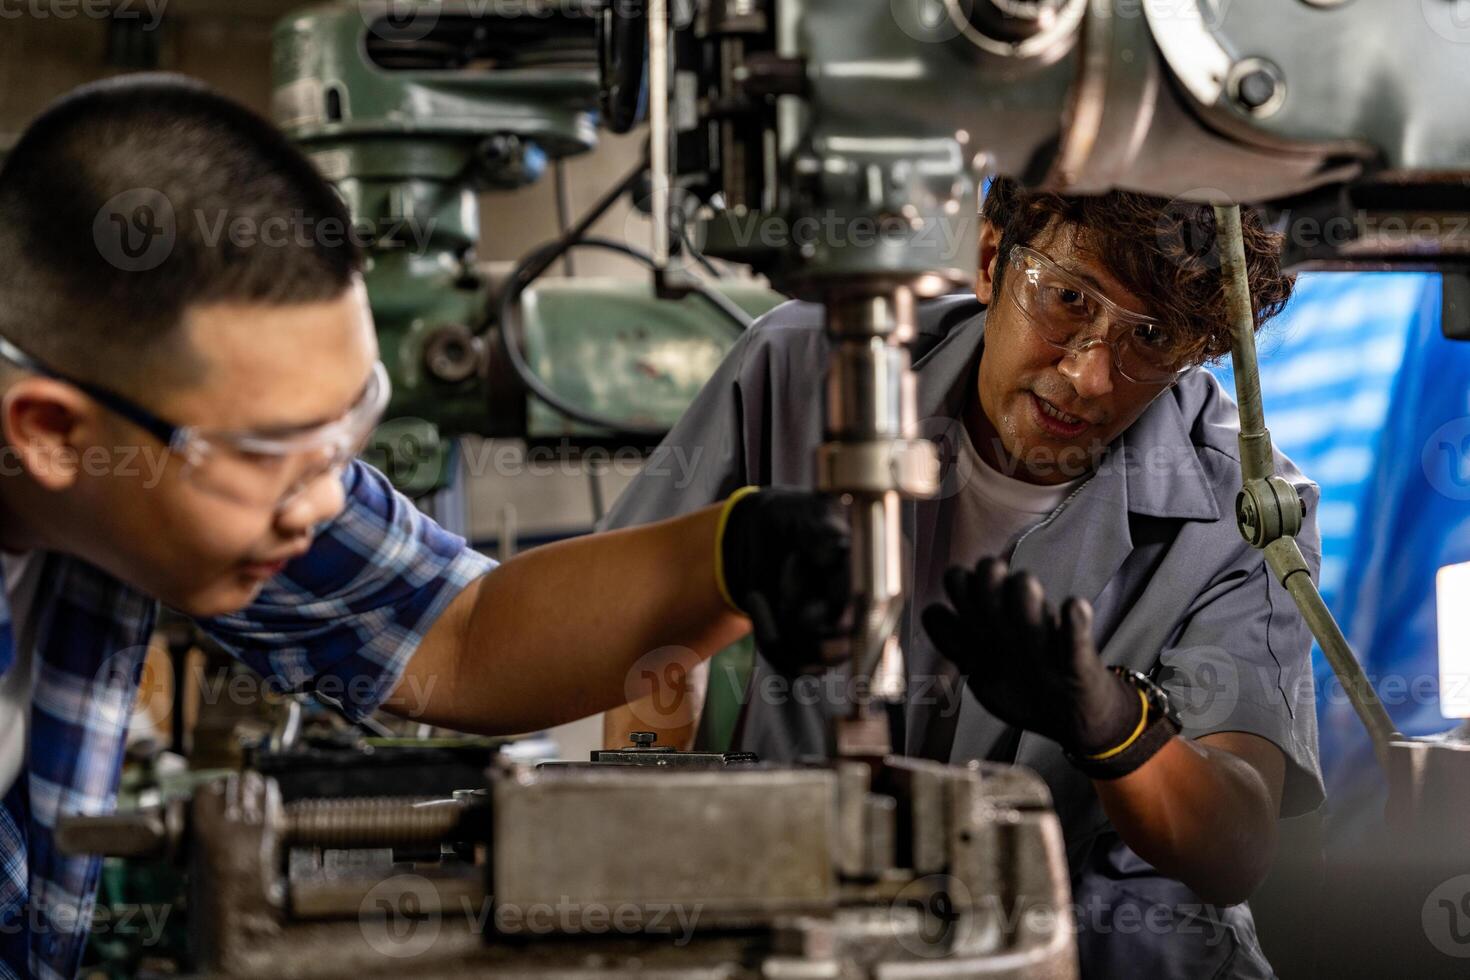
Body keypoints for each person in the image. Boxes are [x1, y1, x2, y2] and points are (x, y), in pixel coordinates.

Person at [0, 76, 848, 979]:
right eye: (280, 452)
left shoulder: (154, 462)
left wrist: (730, 556)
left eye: (346, 432)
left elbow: (464, 634)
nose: (324, 503)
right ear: (51, 433)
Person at [603, 177, 1321, 978]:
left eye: (1150, 337)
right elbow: (648, 634)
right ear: (991, 260)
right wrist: (649, 833)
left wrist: (1115, 726)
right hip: (793, 918)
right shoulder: (797, 370)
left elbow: (1237, 844)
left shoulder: (1245, 509)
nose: (1090, 375)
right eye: (1068, 301)